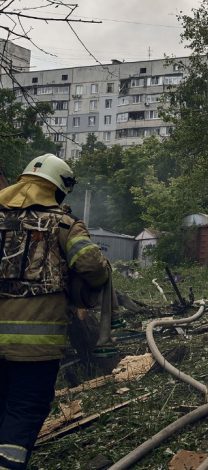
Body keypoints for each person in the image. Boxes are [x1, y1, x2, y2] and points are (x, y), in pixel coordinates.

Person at [0, 154, 110, 469]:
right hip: (35, 347)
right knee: (25, 408)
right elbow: (91, 266)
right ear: (58, 189)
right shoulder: (62, 224)